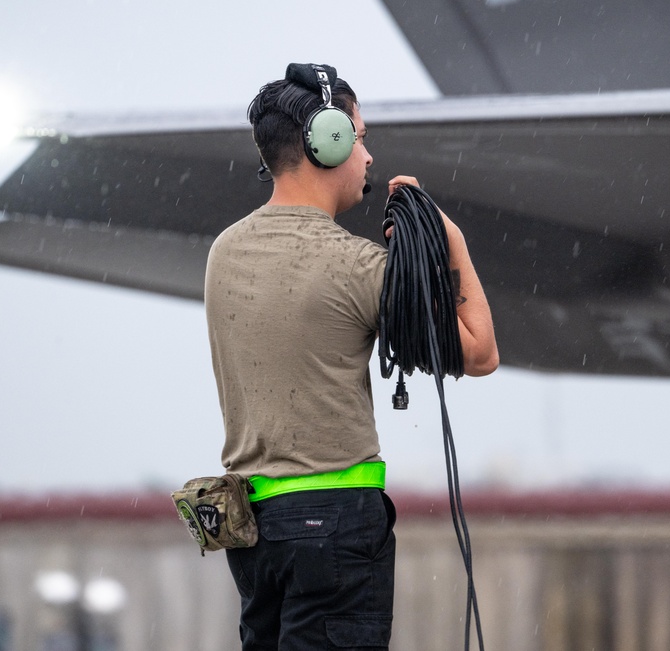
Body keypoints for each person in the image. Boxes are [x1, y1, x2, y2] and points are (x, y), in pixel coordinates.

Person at [204, 63, 499, 650]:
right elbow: (480, 351)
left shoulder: (224, 251)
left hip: (253, 531)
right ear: (327, 141)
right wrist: (448, 240)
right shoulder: (356, 265)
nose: (368, 157)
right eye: (360, 138)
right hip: (336, 525)